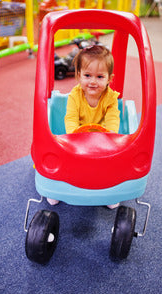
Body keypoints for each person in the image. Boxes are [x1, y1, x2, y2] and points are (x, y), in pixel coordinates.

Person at [49, 45, 122, 209]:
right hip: (77, 140)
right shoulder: (75, 95)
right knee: (64, 159)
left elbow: (113, 119)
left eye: (100, 77)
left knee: (110, 162)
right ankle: (57, 189)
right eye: (87, 75)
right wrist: (74, 137)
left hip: (102, 142)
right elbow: (71, 118)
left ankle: (109, 190)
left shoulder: (110, 98)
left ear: (109, 78)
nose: (93, 82)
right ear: (78, 75)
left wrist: (110, 136)